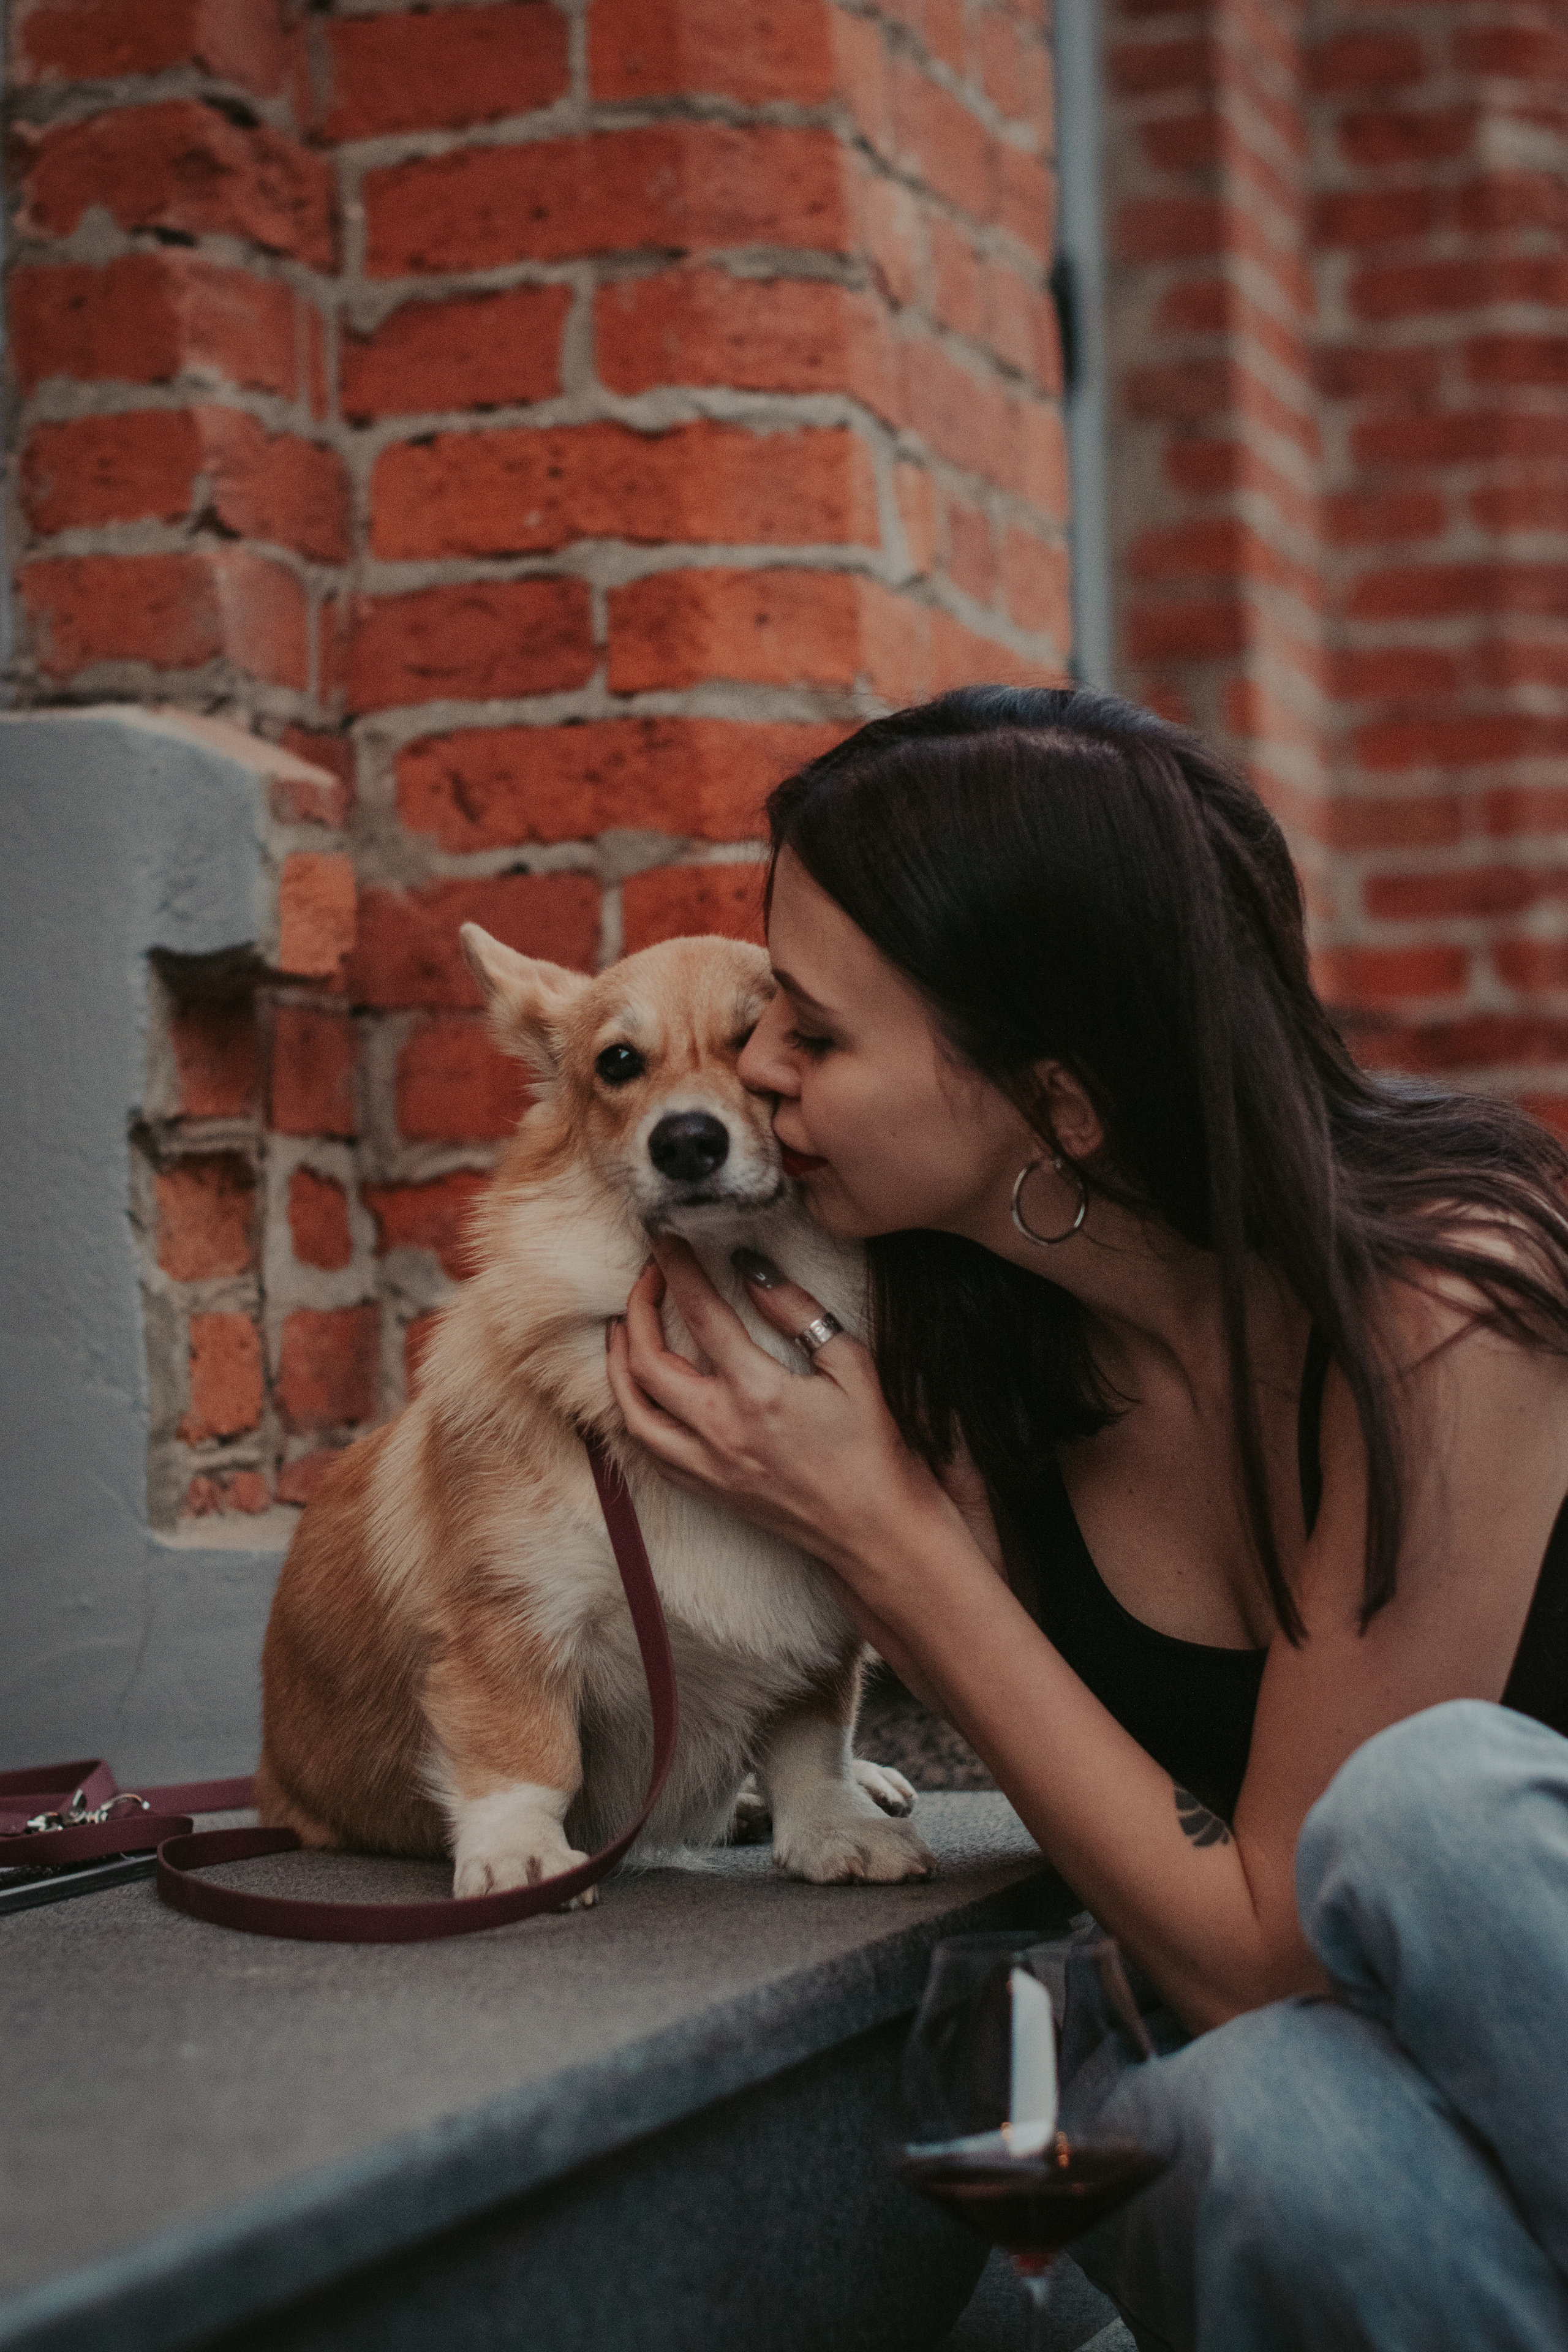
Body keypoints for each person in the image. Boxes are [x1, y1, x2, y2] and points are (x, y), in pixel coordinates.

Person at [605, 686, 1568, 2351]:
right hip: (1368, 2159)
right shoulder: (954, 1353)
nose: (756, 1071)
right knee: (1257, 2126)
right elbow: (1260, 2026)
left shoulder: (1442, 1297)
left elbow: (1277, 1948)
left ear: (1060, 1108)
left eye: (815, 1038)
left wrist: (889, 1541)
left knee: (1429, 1806)